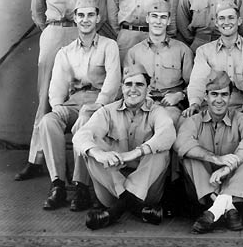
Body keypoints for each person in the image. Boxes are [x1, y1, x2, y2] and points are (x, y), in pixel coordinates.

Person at [18, 0, 106, 182]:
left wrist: (80, 30)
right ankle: (36, 159)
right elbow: (37, 12)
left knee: (81, 93)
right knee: (46, 96)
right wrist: (53, 31)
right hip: (54, 33)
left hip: (81, 34)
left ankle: (82, 160)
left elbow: (98, 12)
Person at [38, 0, 120, 211]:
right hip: (73, 104)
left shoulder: (109, 46)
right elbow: (57, 87)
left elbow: (112, 84)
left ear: (98, 18)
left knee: (85, 118)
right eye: (81, 15)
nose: (85, 19)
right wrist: (57, 109)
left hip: (100, 106)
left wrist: (97, 105)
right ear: (75, 18)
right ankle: (58, 185)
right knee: (48, 121)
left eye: (90, 15)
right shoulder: (65, 52)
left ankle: (81, 186)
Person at [73, 65, 176, 230]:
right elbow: (80, 136)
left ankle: (115, 212)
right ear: (122, 87)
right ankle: (135, 207)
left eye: (139, 85)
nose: (133, 89)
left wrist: (136, 153)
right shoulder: (107, 111)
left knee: (160, 149)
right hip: (111, 188)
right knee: (90, 148)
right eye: (128, 84)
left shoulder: (157, 111)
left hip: (147, 191)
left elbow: (168, 134)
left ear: (148, 89)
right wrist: (98, 154)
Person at [174, 71, 243, 233]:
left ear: (230, 97)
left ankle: (214, 210)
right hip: (202, 183)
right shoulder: (194, 120)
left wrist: (227, 166)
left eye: (224, 95)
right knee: (189, 155)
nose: (219, 100)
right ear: (206, 96)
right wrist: (216, 159)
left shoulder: (240, 119)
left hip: (233, 179)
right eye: (214, 94)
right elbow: (181, 143)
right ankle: (227, 207)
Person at [183, 1, 243, 120]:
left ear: (239, 21)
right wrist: (194, 104)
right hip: (211, 106)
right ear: (216, 22)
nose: (226, 22)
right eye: (222, 18)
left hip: (240, 107)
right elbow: (197, 81)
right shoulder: (204, 51)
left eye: (231, 18)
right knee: (188, 121)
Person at [125, 0, 194, 127]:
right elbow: (126, 85)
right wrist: (141, 95)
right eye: (154, 16)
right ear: (147, 19)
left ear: (168, 21)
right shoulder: (134, 52)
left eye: (163, 17)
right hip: (142, 103)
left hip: (170, 106)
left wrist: (179, 95)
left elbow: (194, 84)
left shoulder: (182, 50)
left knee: (166, 122)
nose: (158, 21)